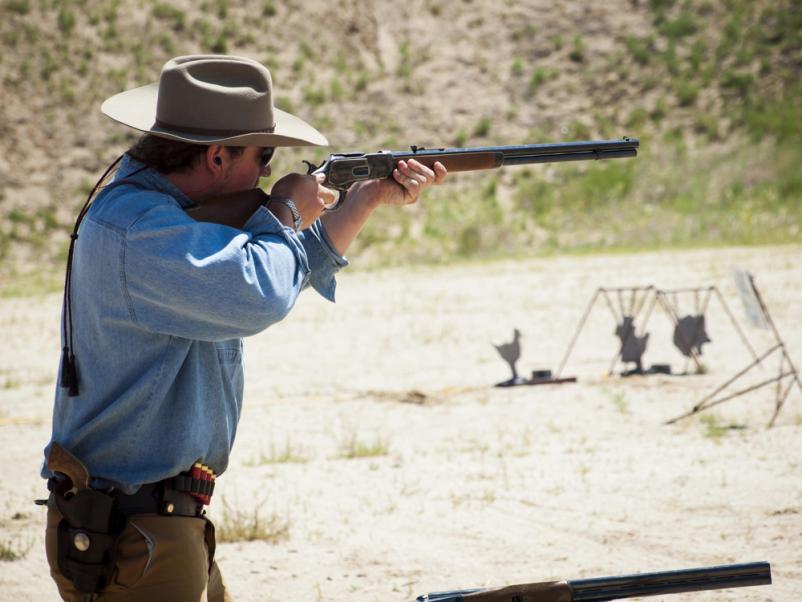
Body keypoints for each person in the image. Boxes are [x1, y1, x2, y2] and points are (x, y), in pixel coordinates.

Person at [40, 54, 447, 601]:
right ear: (215, 156)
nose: (265, 172)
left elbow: (279, 268)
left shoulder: (160, 218)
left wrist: (366, 197)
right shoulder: (141, 229)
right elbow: (256, 291)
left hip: (152, 525)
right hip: (134, 532)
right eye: (263, 156)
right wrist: (280, 213)